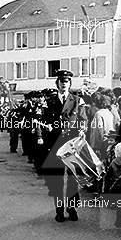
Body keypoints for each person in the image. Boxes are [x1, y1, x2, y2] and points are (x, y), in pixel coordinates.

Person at [40, 69, 87, 222]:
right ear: (57, 83)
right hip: (55, 143)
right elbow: (44, 120)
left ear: (70, 83)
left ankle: (72, 208)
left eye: (66, 82)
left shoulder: (77, 100)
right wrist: (46, 130)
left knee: (73, 177)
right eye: (61, 82)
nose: (64, 84)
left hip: (72, 144)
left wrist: (81, 130)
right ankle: (59, 210)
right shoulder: (50, 101)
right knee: (56, 179)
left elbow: (83, 119)